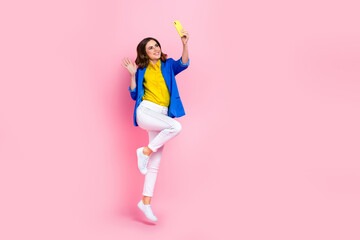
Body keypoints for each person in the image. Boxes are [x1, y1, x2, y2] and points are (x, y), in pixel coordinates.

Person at [121, 29, 190, 222]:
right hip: (146, 111)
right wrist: (133, 75)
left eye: (157, 45)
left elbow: (183, 63)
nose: (156, 49)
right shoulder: (142, 69)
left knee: (154, 165)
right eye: (151, 47)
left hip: (161, 114)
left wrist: (184, 44)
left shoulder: (168, 65)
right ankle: (144, 151)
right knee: (176, 127)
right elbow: (134, 95)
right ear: (144, 52)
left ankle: (145, 203)